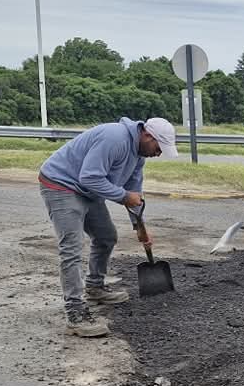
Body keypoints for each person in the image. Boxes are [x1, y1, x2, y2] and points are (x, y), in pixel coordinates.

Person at [38, 117, 177, 337]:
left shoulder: (138, 154)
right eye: (159, 148)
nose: (159, 154)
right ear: (148, 136)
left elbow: (134, 190)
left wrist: (139, 226)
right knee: (72, 249)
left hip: (87, 190)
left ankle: (95, 287)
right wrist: (123, 196)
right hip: (61, 185)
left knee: (106, 236)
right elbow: (90, 177)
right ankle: (74, 313)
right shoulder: (115, 138)